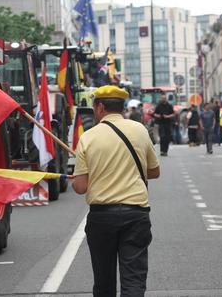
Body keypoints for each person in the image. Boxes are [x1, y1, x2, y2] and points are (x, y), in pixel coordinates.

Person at [73, 86, 160, 297]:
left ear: (100, 107)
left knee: (104, 284)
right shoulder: (140, 130)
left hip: (102, 217)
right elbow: (154, 171)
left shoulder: (88, 137)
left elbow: (80, 186)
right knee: (134, 281)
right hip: (136, 214)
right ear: (121, 107)